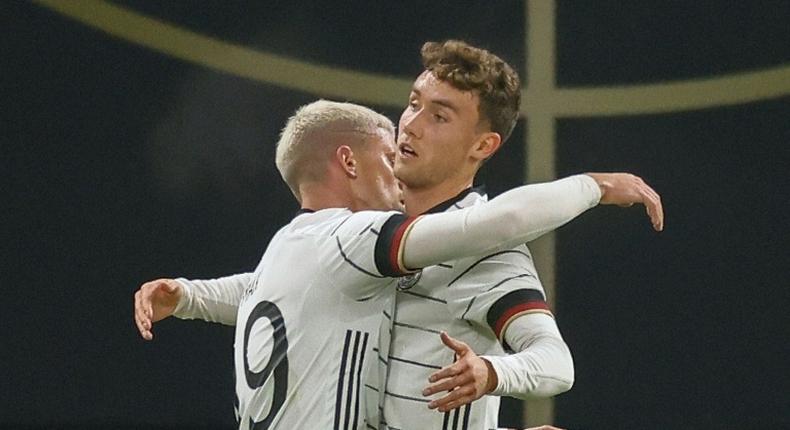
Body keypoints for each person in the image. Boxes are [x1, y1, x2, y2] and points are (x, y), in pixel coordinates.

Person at [135, 43, 663, 430]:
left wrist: (494, 373)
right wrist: (190, 296)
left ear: (483, 144)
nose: (409, 124)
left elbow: (555, 362)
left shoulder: (490, 258)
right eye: (412, 103)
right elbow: (275, 290)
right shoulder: (356, 230)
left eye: (439, 115)